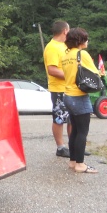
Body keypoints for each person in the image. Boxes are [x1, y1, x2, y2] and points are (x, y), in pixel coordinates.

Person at [60, 27, 101, 173]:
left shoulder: (65, 55)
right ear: (79, 40)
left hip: (68, 96)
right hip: (79, 96)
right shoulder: (82, 54)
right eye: (85, 38)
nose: (87, 41)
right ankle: (80, 164)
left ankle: (72, 161)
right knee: (82, 132)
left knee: (75, 131)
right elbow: (95, 73)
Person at [43, 20, 72, 158]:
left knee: (73, 119)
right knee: (59, 118)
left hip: (70, 88)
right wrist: (71, 75)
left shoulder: (65, 46)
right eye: (69, 30)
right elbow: (52, 70)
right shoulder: (52, 47)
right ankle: (60, 148)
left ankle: (74, 147)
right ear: (65, 31)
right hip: (59, 89)